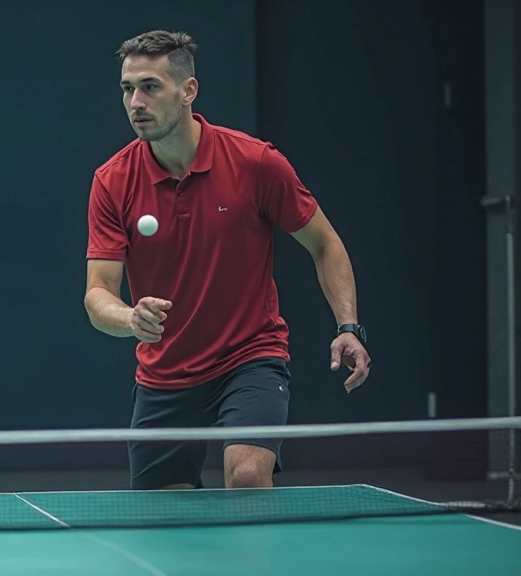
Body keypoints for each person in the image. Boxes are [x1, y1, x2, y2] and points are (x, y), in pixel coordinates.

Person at [84, 30, 371, 491]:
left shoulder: (255, 163)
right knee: (166, 518)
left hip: (249, 357)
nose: (136, 101)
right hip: (165, 371)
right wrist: (129, 317)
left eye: (150, 87)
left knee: (247, 474)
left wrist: (348, 326)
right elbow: (97, 293)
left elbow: (325, 243)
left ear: (188, 91)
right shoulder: (113, 181)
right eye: (127, 88)